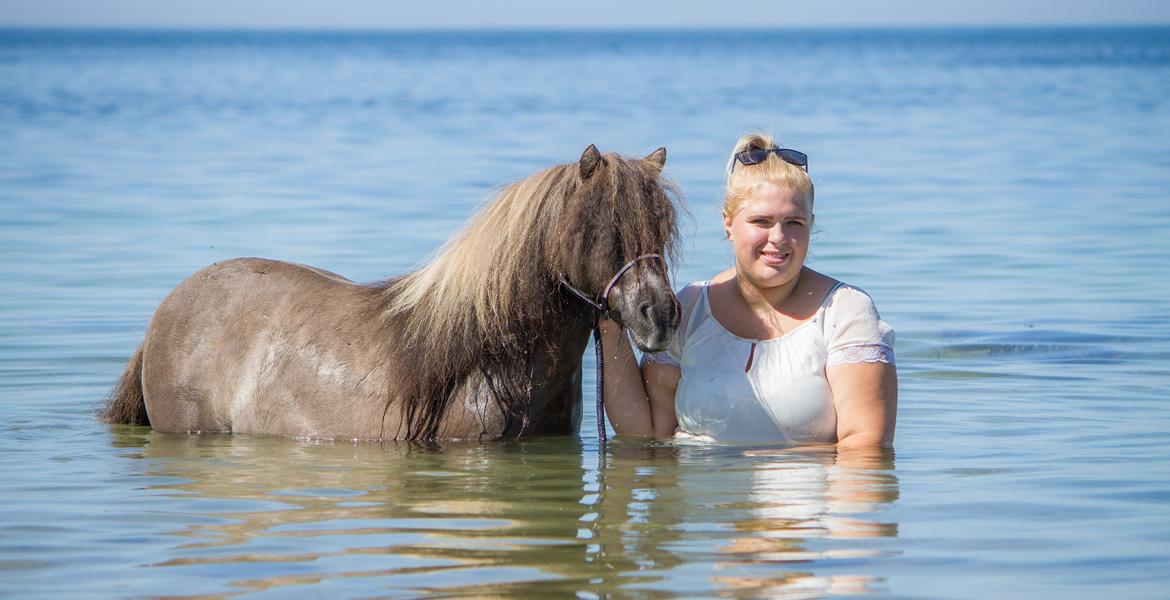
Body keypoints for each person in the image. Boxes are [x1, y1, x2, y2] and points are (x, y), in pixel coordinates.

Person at [600, 133, 897, 449]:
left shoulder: (845, 311)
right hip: (694, 496)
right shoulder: (691, 307)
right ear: (728, 223)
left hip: (803, 495)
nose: (778, 238)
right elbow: (646, 433)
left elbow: (865, 445)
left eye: (794, 223)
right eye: (761, 221)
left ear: (811, 223)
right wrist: (608, 322)